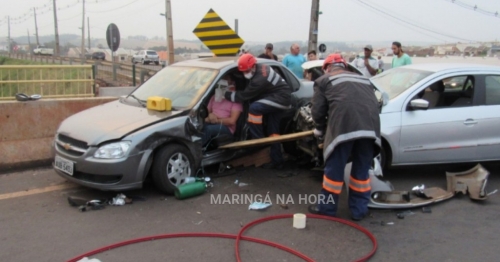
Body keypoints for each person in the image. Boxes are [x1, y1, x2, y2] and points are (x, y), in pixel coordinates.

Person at [308, 53, 381, 221]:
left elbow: (318, 110)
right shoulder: (364, 79)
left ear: (326, 68)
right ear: (344, 66)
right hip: (370, 129)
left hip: (344, 128)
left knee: (335, 169)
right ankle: (359, 210)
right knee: (361, 171)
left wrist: (319, 129)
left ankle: (327, 208)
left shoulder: (324, 80)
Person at [225, 54, 291, 169]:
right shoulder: (260, 66)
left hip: (281, 98)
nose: (245, 73)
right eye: (243, 71)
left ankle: (258, 140)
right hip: (277, 96)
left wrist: (225, 94)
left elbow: (244, 96)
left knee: (254, 108)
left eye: (246, 71)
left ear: (253, 66)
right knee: (273, 131)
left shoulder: (259, 79)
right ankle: (277, 160)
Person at [202, 76, 243, 146]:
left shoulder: (235, 100)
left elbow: (232, 121)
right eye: (222, 79)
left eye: (226, 79)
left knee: (208, 129)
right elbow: (206, 113)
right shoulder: (214, 97)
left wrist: (216, 120)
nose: (223, 81)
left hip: (227, 128)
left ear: (232, 83)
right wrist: (210, 115)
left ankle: (197, 151)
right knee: (198, 127)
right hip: (211, 121)